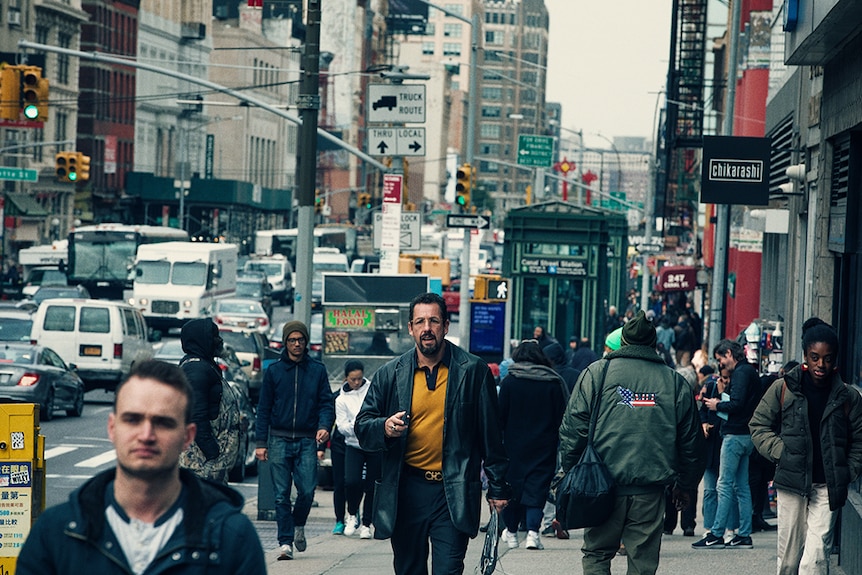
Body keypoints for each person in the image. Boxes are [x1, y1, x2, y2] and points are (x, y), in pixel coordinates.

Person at [16, 360, 265, 574]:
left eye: (163, 422)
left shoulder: (232, 539)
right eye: (133, 419)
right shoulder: (56, 533)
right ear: (112, 428)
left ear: (188, 436)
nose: (146, 435)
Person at [355, 292, 511, 575]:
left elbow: (491, 435)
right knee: (409, 568)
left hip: (453, 490)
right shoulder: (391, 374)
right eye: (420, 322)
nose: (427, 328)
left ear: (446, 326)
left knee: (449, 568)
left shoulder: (472, 371)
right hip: (406, 490)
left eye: (434, 321)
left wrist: (498, 488)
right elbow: (363, 425)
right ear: (410, 328)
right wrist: (384, 427)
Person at [559, 310, 705, 575]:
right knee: (642, 562)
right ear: (653, 345)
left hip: (601, 487)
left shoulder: (596, 374)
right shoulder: (674, 382)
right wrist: (684, 486)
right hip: (649, 491)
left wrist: (568, 473)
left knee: (596, 555)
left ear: (623, 342)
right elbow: (692, 443)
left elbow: (573, 430)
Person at [750, 323, 862, 574]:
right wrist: (781, 452)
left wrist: (848, 470)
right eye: (814, 358)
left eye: (827, 358)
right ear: (805, 356)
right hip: (792, 483)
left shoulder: (848, 397)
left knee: (816, 558)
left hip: (827, 487)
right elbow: (758, 425)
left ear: (834, 359)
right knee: (789, 561)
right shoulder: (784, 388)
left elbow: (859, 440)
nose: (820, 365)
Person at [255, 320, 334, 560]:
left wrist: (324, 426)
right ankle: (285, 542)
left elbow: (326, 403)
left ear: (306, 342)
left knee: (307, 491)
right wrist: (261, 443)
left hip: (307, 439)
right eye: (292, 340)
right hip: (278, 439)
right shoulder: (275, 371)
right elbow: (264, 408)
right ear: (286, 342)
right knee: (280, 494)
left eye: (300, 340)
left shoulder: (317, 370)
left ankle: (299, 524)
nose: (296, 344)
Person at [692, 339, 762, 550]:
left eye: (721, 359)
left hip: (734, 434)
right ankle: (744, 534)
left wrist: (717, 404)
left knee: (724, 484)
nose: (721, 364)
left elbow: (736, 403)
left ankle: (716, 533)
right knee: (741, 486)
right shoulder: (750, 372)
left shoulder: (741, 373)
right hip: (747, 434)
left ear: (729, 353)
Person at [498, 340, 567, 551]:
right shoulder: (553, 382)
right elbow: (561, 417)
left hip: (513, 446)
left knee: (513, 489)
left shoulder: (510, 382)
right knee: (537, 490)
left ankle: (510, 532)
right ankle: (532, 534)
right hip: (544, 446)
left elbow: (500, 416)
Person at [178, 318, 240, 485]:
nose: (219, 340)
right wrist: (213, 453)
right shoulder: (196, 369)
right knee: (206, 507)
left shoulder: (205, 365)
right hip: (203, 464)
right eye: (214, 336)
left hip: (210, 464)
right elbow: (195, 415)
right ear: (202, 340)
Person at [335, 359, 381, 539]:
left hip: (373, 444)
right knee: (351, 481)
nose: (356, 382)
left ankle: (367, 523)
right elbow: (341, 426)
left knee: (372, 485)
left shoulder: (371, 390)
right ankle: (352, 513)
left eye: (359, 379)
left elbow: (376, 413)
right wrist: (359, 426)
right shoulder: (341, 400)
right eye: (353, 379)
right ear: (346, 378)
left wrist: (366, 426)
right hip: (353, 444)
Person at [698, 366, 739, 538]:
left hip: (727, 443)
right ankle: (709, 527)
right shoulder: (711, 387)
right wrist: (704, 424)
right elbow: (702, 411)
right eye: (722, 379)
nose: (724, 382)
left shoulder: (734, 393)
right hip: (711, 445)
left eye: (727, 379)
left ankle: (730, 528)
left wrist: (722, 399)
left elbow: (731, 414)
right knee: (709, 490)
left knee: (729, 489)